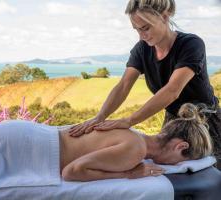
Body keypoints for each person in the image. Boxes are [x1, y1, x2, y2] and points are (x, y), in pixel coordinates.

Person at [68, 0, 221, 169]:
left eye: (146, 28)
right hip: (174, 122)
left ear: (164, 16)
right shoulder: (142, 49)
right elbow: (124, 85)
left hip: (206, 122)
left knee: (213, 176)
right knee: (170, 173)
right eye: (137, 30)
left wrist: (129, 120)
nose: (142, 36)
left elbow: (172, 90)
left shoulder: (191, 44)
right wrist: (100, 117)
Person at [0, 103, 213, 183]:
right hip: (24, 148)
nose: (179, 166)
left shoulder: (133, 135)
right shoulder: (135, 151)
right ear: (180, 147)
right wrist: (129, 174)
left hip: (24, 135)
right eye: (184, 162)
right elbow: (71, 172)